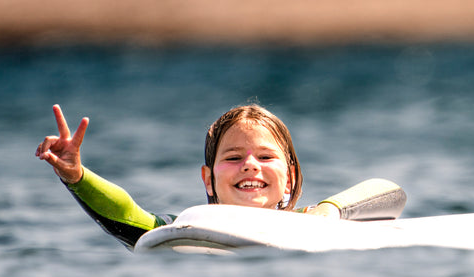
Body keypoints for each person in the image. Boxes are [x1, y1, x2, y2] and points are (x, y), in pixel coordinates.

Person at [37, 102, 405, 249]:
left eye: (265, 156)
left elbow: (389, 191)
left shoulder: (312, 221)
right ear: (208, 179)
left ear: (290, 178)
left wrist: (329, 212)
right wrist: (77, 175)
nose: (250, 165)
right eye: (233, 157)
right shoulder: (183, 231)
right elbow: (128, 215)